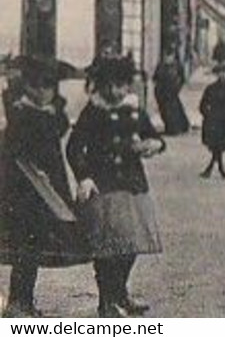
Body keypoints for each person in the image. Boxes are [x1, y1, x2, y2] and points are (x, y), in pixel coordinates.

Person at [68, 54, 166, 317]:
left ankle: (120, 293)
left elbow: (154, 137)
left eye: (119, 85)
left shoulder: (133, 109)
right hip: (103, 186)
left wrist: (152, 145)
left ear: (127, 85)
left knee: (131, 244)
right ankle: (107, 301)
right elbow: (74, 147)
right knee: (107, 248)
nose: (113, 91)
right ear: (98, 85)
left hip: (133, 185)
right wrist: (84, 176)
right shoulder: (93, 111)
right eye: (107, 85)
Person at [0, 56, 87, 318]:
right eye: (35, 85)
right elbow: (12, 148)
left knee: (36, 244)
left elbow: (58, 132)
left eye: (47, 86)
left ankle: (24, 300)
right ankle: (17, 301)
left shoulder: (51, 113)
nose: (41, 92)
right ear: (25, 85)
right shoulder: (19, 112)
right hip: (21, 189)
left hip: (46, 188)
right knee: (24, 244)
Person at [149, 52, 189, 137]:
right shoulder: (161, 66)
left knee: (173, 110)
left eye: (169, 56)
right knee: (164, 111)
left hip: (172, 92)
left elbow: (182, 79)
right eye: (166, 56)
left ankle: (175, 128)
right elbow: (155, 78)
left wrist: (177, 88)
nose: (167, 58)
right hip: (162, 92)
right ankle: (169, 127)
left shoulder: (176, 66)